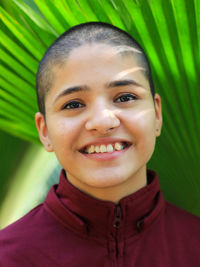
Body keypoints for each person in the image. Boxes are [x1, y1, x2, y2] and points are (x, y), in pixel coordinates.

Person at [0, 22, 199, 267]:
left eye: (125, 97)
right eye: (73, 104)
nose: (102, 121)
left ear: (157, 114)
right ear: (44, 131)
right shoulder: (9, 257)